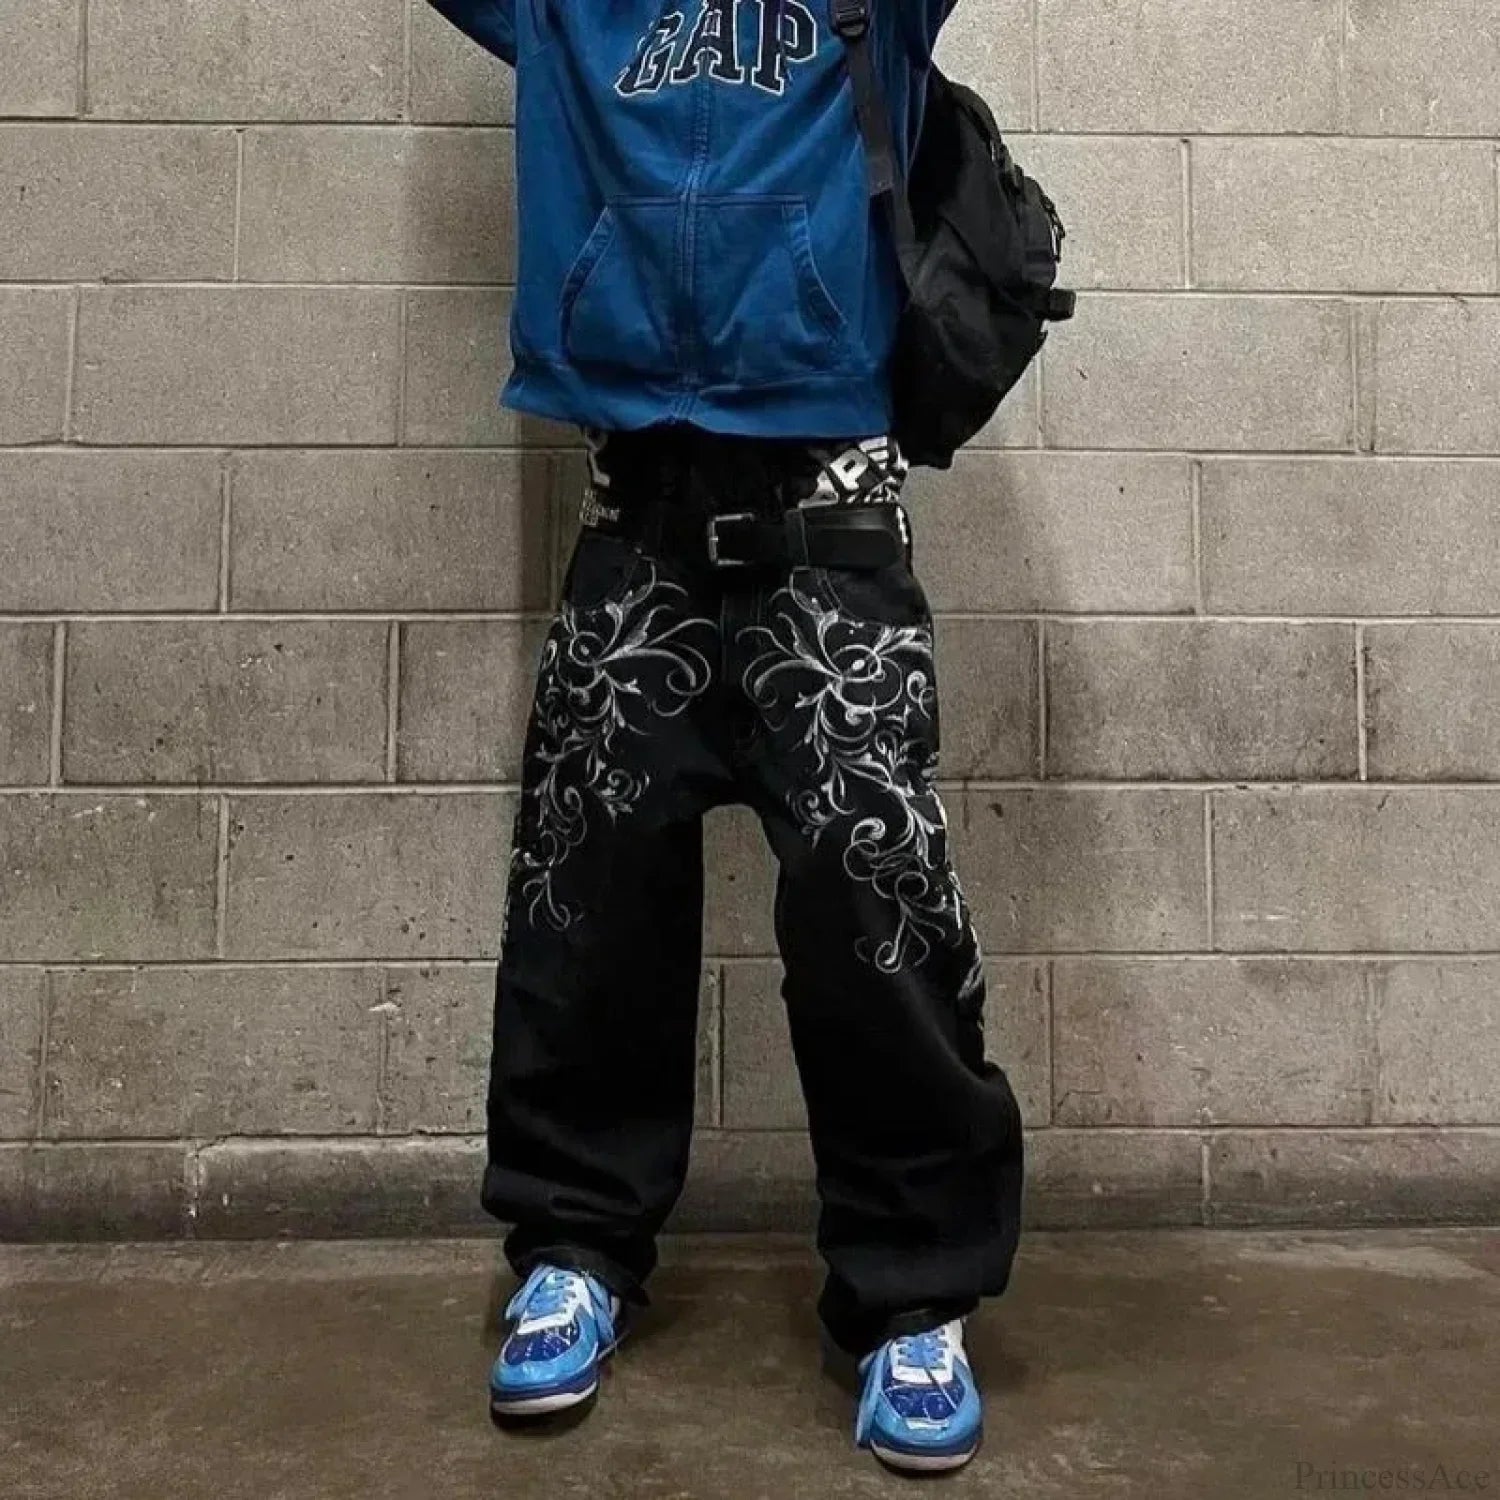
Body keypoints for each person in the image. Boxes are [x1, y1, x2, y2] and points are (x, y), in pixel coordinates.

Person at [426, 0, 1024, 1472]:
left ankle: (913, 1299)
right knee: (584, 914)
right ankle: (574, 1248)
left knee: (879, 918)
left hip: (831, 521)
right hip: (637, 509)